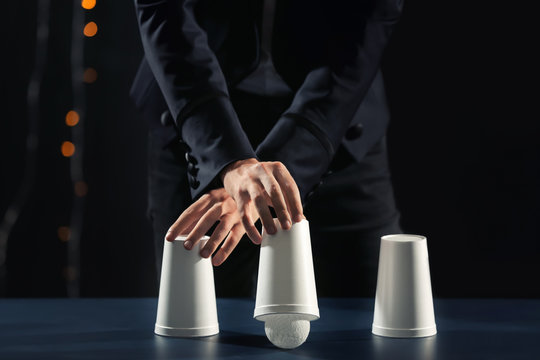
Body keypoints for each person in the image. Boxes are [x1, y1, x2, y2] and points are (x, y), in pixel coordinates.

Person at [131, 0, 403, 297]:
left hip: (333, 119)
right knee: (193, 323)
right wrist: (228, 161)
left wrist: (260, 180)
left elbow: (365, 25)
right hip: (198, 119)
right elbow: (164, 11)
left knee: (371, 320)